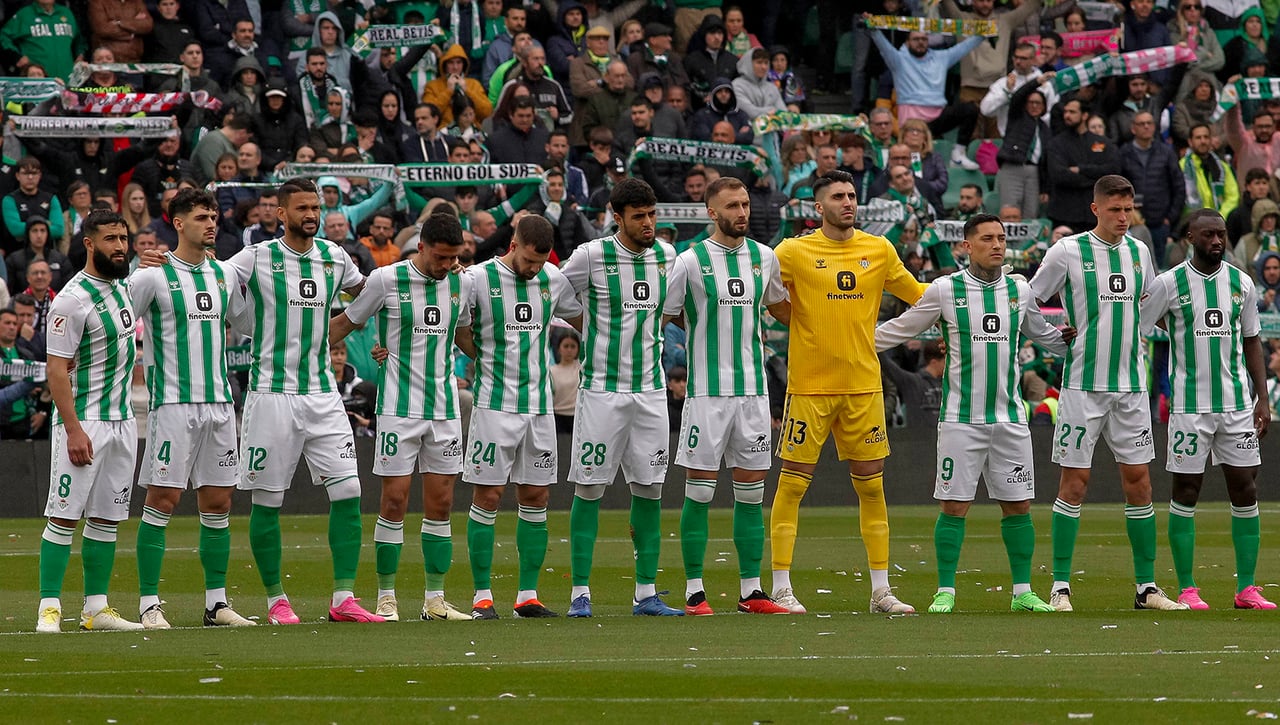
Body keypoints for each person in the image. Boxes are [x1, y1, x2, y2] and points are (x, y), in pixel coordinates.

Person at [876, 213, 1068, 614]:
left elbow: (1045, 337)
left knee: (1018, 506)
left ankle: (1022, 593)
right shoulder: (945, 290)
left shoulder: (1019, 289)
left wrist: (1079, 343)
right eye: (987, 239)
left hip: (1011, 420)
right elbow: (900, 329)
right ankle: (945, 590)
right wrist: (845, 342)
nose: (997, 245)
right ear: (967, 246)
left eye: (1001, 238)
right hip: (960, 420)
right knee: (954, 506)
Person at [224, 178, 383, 624]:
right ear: (280, 213)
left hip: (322, 393)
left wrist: (350, 325)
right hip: (271, 394)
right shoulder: (256, 257)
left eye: (316, 207)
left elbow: (370, 291)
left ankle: (343, 599)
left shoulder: (334, 257)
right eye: (302, 208)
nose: (311, 215)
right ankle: (276, 599)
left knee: (350, 489)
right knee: (268, 499)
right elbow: (212, 278)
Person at [769, 170, 927, 615]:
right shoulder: (793, 250)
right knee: (792, 486)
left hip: (862, 386)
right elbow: (769, 295)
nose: (848, 202)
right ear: (817, 207)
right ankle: (780, 586)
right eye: (838, 196)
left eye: (852, 195)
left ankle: (881, 591)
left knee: (873, 487)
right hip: (810, 387)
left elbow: (918, 294)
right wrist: (796, 319)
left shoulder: (878, 249)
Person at [1028, 174, 1188, 612]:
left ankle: (1146, 588)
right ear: (1095, 209)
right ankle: (1060, 586)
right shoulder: (1067, 251)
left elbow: (1150, 307)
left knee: (1140, 483)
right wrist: (1054, 340)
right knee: (1074, 483)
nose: (1123, 217)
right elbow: (1027, 300)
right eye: (1114, 209)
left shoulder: (1139, 250)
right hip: (1082, 388)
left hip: (1132, 389)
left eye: (1128, 208)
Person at [329, 211, 476, 623]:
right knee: (393, 501)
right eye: (441, 258)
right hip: (397, 409)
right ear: (422, 247)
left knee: (442, 504)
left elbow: (464, 335)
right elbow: (347, 322)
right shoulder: (385, 280)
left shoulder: (461, 283)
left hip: (444, 409)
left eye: (454, 258)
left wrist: (496, 359)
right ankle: (386, 597)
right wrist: (302, 351)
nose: (448, 265)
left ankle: (435, 599)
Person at [661, 176, 792, 616]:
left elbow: (779, 307)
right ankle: (695, 591)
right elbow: (667, 313)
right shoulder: (690, 260)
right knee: (698, 493)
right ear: (711, 213)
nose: (742, 212)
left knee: (752, 495)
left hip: (754, 396)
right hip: (706, 396)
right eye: (732, 206)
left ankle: (752, 591)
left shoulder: (764, 257)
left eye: (745, 204)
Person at [127, 189, 255, 629]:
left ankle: (216, 604)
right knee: (162, 499)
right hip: (174, 406)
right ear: (177, 223)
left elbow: (246, 322)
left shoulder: (221, 274)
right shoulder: (153, 275)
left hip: (220, 404)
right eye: (201, 217)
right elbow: (120, 319)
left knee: (219, 502)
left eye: (214, 216)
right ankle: (148, 603)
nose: (211, 223)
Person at [1140, 208, 1275, 610]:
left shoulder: (1241, 282)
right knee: (1186, 490)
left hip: (1236, 405)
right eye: (1209, 235)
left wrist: (1261, 397)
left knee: (1245, 487)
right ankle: (1187, 588)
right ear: (1189, 238)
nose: (1217, 241)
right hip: (1189, 407)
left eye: (1222, 235)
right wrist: (1180, 329)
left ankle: (1246, 588)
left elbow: (1252, 339)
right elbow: (1144, 323)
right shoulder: (1169, 283)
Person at [561, 178, 682, 618]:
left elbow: (674, 306)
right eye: (639, 217)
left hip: (651, 391)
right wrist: (586, 323)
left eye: (652, 215)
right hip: (602, 392)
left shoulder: (667, 255)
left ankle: (646, 593)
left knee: (650, 489)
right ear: (617, 216)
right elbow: (552, 294)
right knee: (589, 487)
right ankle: (579, 594)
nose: (648, 224)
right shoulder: (591, 256)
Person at [456, 214, 583, 619]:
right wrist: (485, 358)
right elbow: (459, 328)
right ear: (514, 245)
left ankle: (527, 595)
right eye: (529, 260)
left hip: (540, 408)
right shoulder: (476, 279)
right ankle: (481, 597)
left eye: (541, 261)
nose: (534, 269)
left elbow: (580, 317)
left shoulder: (552, 278)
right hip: (494, 405)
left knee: (536, 496)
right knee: (488, 496)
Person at [35, 210, 144, 633]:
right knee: (64, 515)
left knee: (106, 517)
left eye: (123, 238)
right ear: (89, 243)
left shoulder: (122, 289)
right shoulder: (71, 299)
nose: (119, 246)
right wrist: (74, 428)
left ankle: (95, 608)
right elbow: (56, 369)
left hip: (121, 423)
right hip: (84, 422)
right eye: (111, 239)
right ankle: (48, 607)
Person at [869, 28, 984, 171]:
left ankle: (958, 153)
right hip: (912, 121)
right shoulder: (898, 59)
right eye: (916, 39)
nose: (920, 43)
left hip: (937, 116)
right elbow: (883, 46)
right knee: (914, 159)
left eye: (924, 39)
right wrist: (873, 29)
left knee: (970, 109)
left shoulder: (941, 58)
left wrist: (983, 33)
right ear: (907, 42)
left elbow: (964, 47)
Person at [1120, 111, 1185, 269]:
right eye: (1142, 124)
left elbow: (1178, 186)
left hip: (1160, 222)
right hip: (1134, 221)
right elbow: (1118, 186)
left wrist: (1170, 217)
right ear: (1133, 128)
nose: (1146, 127)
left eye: (1149, 123)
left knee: (1159, 268)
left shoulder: (1166, 152)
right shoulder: (1124, 153)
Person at [1046, 98, 1121, 233]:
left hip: (1094, 215)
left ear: (1084, 115)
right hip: (1065, 214)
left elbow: (1113, 170)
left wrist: (1081, 170)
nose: (1067, 115)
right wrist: (1094, 180)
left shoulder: (1102, 143)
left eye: (1072, 112)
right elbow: (1058, 174)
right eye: (1066, 112)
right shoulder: (1056, 144)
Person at [0, 0, 85, 83]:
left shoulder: (66, 13)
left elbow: (79, 39)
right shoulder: (25, 14)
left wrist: (80, 55)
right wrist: (16, 56)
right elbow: (3, 36)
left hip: (67, 80)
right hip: (38, 84)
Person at [1181, 123, 1239, 222]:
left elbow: (1233, 196)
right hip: (1192, 222)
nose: (1203, 141)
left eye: (1206, 137)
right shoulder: (1182, 167)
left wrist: (1219, 217)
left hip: (1220, 221)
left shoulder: (1222, 167)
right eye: (1198, 138)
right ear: (1190, 142)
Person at [550, 331, 581, 434]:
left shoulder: (582, 369)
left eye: (573, 346)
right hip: (557, 418)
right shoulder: (551, 371)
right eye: (566, 346)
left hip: (578, 417)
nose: (569, 350)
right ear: (559, 348)